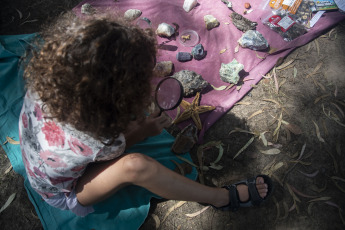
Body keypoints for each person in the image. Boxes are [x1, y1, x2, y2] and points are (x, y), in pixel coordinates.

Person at [19, 13, 272, 218]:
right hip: (64, 192)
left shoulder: (46, 83)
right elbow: (118, 146)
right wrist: (142, 132)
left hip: (42, 159)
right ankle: (222, 198)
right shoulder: (100, 139)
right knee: (136, 166)